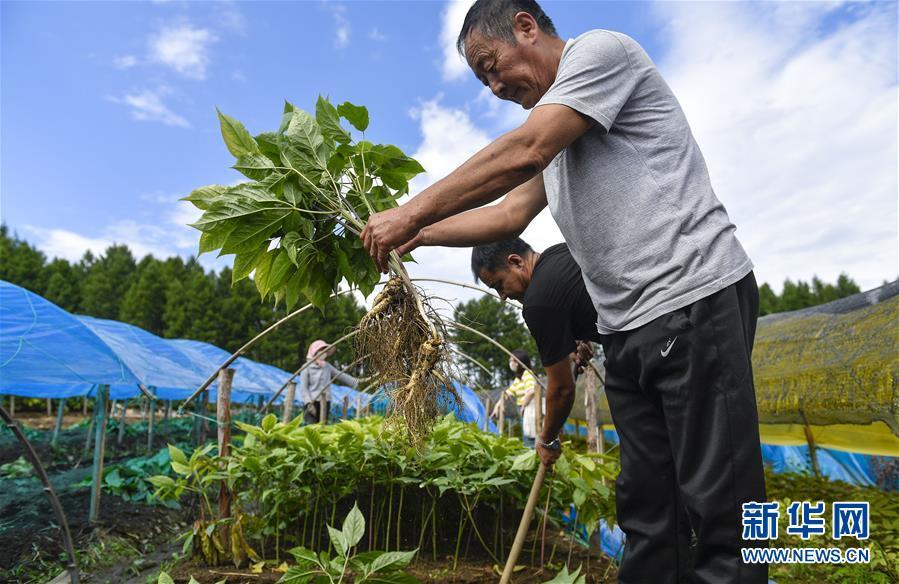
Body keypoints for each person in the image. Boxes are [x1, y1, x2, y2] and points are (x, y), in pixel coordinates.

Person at [360, 1, 767, 581]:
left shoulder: (602, 54)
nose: (495, 85)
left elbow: (527, 147)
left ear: (526, 26)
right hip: (625, 331)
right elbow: (507, 214)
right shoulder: (554, 142)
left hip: (690, 299)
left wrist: (409, 209)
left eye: (492, 65)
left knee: (724, 509)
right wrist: (415, 233)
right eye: (483, 80)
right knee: (648, 513)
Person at [299, 339, 360, 425]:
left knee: (323, 426)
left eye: (325, 351)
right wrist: (308, 403)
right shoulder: (306, 367)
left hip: (325, 401)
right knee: (311, 426)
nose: (324, 353)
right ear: (315, 351)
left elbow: (340, 375)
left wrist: (355, 382)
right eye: (321, 350)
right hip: (312, 402)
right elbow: (304, 388)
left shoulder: (326, 366)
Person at [492, 348, 539, 445]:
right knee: (527, 435)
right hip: (525, 410)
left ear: (518, 363)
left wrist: (523, 406)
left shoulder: (527, 374)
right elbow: (507, 393)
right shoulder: (519, 379)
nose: (510, 363)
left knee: (530, 439)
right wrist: (497, 406)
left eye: (511, 361)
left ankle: (533, 458)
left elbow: (531, 391)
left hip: (529, 409)